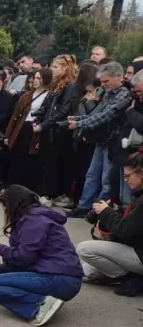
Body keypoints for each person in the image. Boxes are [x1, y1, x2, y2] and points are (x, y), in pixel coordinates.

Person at [0, 185, 83, 326]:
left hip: (59, 279)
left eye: (5, 206)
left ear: (13, 204)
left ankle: (40, 305)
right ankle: (44, 300)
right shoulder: (36, 217)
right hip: (61, 277)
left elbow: (24, 257)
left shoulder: (34, 221)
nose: (4, 210)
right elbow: (29, 259)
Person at [68, 62, 132, 216]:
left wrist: (79, 123)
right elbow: (96, 112)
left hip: (113, 142)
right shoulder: (108, 93)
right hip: (101, 141)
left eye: (105, 81)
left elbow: (105, 116)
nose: (102, 85)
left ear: (118, 77)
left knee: (106, 180)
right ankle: (84, 206)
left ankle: (98, 211)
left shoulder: (124, 95)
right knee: (91, 175)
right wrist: (79, 118)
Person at [76, 151, 143, 295]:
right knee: (84, 272)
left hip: (139, 254)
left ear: (141, 173)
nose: (125, 180)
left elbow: (126, 230)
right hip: (136, 250)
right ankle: (129, 275)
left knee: (84, 249)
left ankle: (130, 277)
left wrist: (106, 212)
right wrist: (116, 210)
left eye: (128, 176)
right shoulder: (139, 196)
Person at [35, 54, 80, 207]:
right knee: (46, 162)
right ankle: (46, 192)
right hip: (49, 129)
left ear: (65, 68)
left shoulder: (71, 86)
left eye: (55, 67)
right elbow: (46, 105)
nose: (52, 70)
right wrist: (37, 115)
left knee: (54, 163)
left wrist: (44, 124)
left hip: (59, 130)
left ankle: (50, 194)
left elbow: (63, 111)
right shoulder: (55, 85)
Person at [2, 68, 50, 191]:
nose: (35, 80)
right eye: (35, 77)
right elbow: (15, 116)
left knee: (31, 160)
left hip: (35, 129)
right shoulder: (27, 95)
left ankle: (26, 189)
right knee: (16, 158)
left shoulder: (50, 96)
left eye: (39, 78)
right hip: (22, 127)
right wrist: (8, 135)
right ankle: (11, 187)